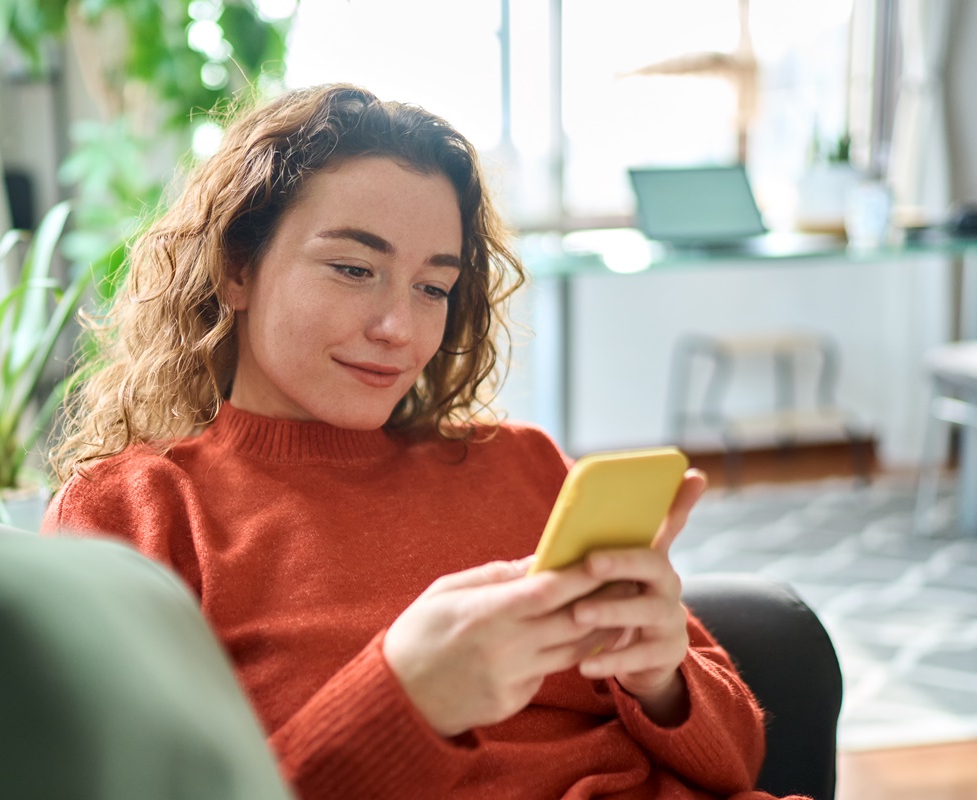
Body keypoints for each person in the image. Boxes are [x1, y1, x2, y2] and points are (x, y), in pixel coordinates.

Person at [44, 84, 805, 800]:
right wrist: (402, 700)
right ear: (236, 267)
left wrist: (663, 677)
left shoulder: (524, 464)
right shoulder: (135, 513)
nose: (399, 330)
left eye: (433, 287)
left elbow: (741, 760)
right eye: (353, 268)